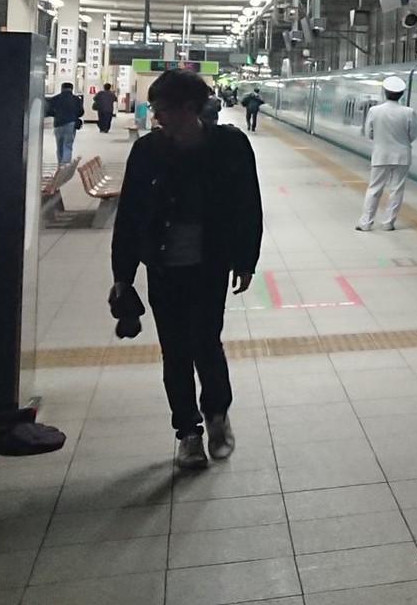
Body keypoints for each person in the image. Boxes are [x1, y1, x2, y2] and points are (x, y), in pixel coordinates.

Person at [108, 69, 262, 469]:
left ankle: (217, 415)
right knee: (174, 351)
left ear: (190, 107)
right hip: (163, 268)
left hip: (210, 264)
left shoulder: (230, 145)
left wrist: (245, 259)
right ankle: (188, 433)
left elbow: (249, 204)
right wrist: (122, 275)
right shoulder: (147, 151)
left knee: (206, 343)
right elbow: (129, 215)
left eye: (162, 108)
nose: (156, 115)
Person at [356, 76, 416, 232]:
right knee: (397, 190)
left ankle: (366, 222)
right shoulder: (409, 112)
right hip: (402, 156)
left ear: (385, 92)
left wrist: (380, 141)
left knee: (374, 188)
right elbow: (413, 135)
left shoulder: (374, 111)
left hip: (380, 155)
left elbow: (369, 133)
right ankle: (388, 223)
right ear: (401, 94)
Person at [45, 82, 84, 166]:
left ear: (62, 88)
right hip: (71, 124)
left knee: (59, 146)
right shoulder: (76, 99)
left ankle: (60, 165)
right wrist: (73, 114)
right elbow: (80, 112)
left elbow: (49, 111)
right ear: (72, 89)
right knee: (67, 146)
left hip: (58, 124)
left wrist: (57, 115)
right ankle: (65, 165)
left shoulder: (55, 98)